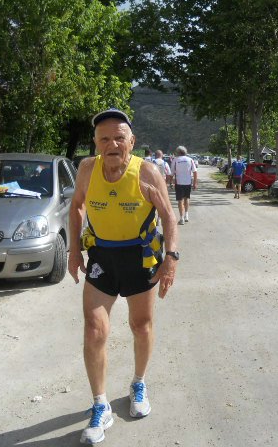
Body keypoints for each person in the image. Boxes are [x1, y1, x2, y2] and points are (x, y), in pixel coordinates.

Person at [68, 108, 179, 445]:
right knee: (94, 329)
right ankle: (100, 405)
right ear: (95, 143)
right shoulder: (87, 169)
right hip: (103, 257)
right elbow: (77, 205)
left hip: (140, 256)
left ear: (132, 141)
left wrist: (171, 258)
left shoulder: (146, 171)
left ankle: (138, 383)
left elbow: (168, 216)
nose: (112, 144)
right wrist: (74, 250)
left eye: (119, 138)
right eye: (104, 139)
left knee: (140, 325)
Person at [170, 145, 198, 225]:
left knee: (180, 200)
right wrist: (195, 183)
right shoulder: (190, 159)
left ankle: (181, 218)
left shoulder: (175, 160)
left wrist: (171, 182)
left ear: (178, 152)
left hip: (179, 183)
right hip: (188, 182)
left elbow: (172, 173)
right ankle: (186, 215)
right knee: (187, 198)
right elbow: (195, 172)